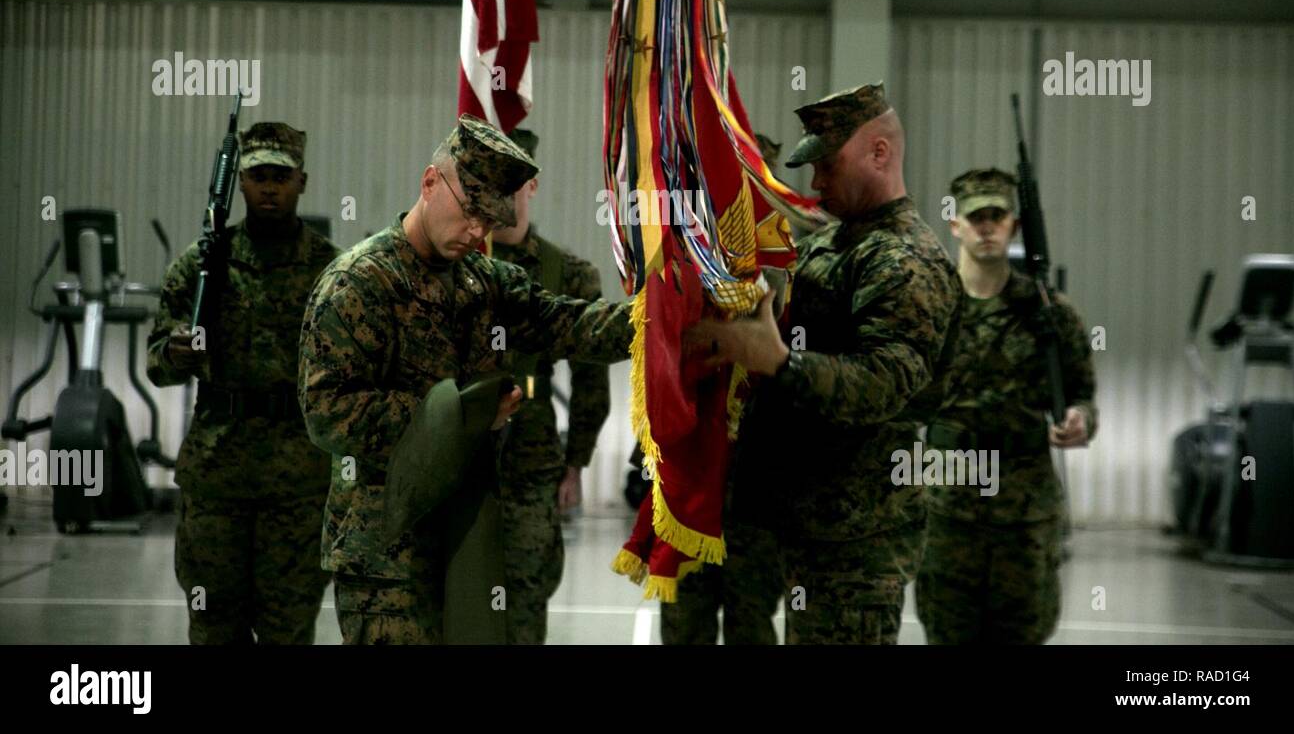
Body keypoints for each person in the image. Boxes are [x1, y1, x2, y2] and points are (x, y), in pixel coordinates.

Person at [298, 114, 632, 644]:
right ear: (430, 182)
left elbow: (570, 324)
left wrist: (660, 316)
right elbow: (328, 413)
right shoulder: (360, 283)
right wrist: (464, 414)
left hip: (467, 540)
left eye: (490, 217)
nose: (478, 230)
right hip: (387, 551)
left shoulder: (483, 280)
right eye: (470, 210)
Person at [690, 83, 961, 645]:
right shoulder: (833, 242)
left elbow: (883, 383)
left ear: (878, 153)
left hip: (857, 540)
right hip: (806, 522)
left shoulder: (905, 259)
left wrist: (782, 364)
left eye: (827, 165)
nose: (814, 183)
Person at [146, 122, 337, 644]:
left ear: (303, 181)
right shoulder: (204, 263)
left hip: (297, 480)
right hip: (216, 473)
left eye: (281, 176)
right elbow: (156, 364)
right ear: (240, 185)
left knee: (289, 628)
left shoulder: (330, 269)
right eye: (257, 176)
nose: (269, 187)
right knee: (214, 625)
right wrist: (176, 352)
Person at [916, 167, 1096, 644]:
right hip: (948, 504)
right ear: (954, 224)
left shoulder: (1049, 314)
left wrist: (1080, 420)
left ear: (1014, 224)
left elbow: (1083, 395)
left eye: (997, 216)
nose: (987, 227)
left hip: (1025, 509)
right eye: (976, 217)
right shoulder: (928, 308)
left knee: (1022, 635)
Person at [660, 132, 786, 645]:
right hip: (691, 481)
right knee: (685, 626)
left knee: (751, 625)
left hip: (761, 487)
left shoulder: (795, 269)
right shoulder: (684, 267)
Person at [491, 128, 612, 644]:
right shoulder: (452, 265)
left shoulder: (567, 274)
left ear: (532, 185)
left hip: (530, 454)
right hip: (454, 452)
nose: (500, 196)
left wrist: (576, 464)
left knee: (524, 594)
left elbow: (590, 381)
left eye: (511, 183)